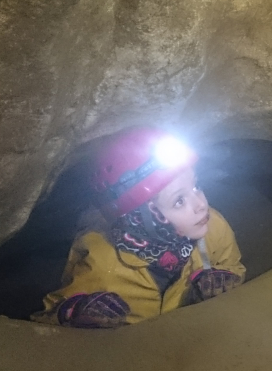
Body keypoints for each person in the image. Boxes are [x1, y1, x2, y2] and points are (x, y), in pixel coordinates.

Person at [32, 127, 245, 328]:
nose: (201, 204)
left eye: (196, 187)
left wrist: (224, 279)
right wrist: (77, 311)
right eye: (179, 201)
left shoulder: (212, 226)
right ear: (141, 218)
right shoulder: (102, 262)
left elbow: (233, 266)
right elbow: (46, 319)